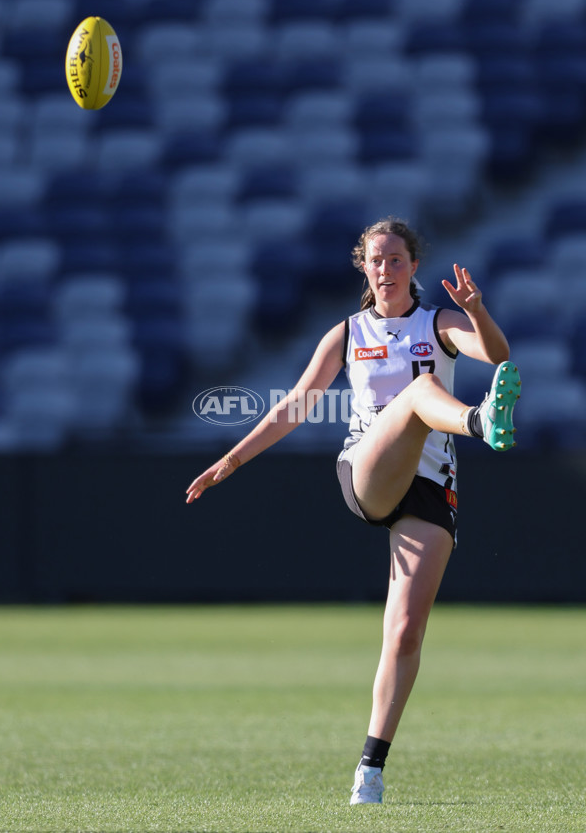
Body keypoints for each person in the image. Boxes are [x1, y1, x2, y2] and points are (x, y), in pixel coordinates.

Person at [186, 217, 521, 806]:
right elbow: (295, 405)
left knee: (405, 632)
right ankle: (480, 421)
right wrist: (230, 462)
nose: (386, 269)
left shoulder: (439, 323)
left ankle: (369, 769)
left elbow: (496, 353)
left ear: (414, 267)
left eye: (396, 259)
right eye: (376, 260)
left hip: (430, 486)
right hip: (366, 472)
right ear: (363, 267)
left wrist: (476, 311)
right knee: (417, 394)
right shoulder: (347, 333)